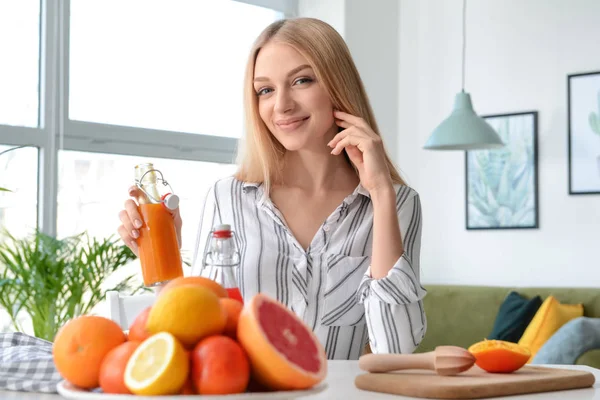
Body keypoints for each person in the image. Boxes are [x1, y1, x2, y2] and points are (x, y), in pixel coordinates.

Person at [118, 17, 426, 359]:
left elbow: (395, 349)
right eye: (265, 89)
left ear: (339, 85)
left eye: (301, 81)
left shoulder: (397, 203)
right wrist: (166, 258)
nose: (281, 105)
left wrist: (381, 193)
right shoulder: (227, 198)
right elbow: (195, 339)